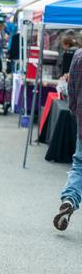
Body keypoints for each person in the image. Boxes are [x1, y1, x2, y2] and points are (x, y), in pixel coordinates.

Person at [54, 47, 82, 231]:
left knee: (79, 164)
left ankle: (70, 198)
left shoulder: (78, 55)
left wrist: (74, 111)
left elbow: (71, 89)